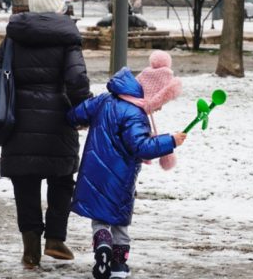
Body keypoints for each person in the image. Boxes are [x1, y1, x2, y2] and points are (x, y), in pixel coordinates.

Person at [0, 0, 91, 269]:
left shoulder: (14, 38)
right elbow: (77, 81)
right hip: (58, 122)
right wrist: (84, 110)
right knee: (62, 180)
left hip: (19, 124)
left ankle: (30, 248)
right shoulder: (68, 38)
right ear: (59, 5)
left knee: (25, 184)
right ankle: (55, 238)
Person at [67, 51, 186, 279]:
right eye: (160, 102)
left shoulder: (106, 99)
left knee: (100, 218)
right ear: (152, 96)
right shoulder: (135, 116)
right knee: (120, 221)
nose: (159, 108)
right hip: (121, 178)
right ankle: (119, 266)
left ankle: (102, 246)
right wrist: (171, 141)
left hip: (94, 172)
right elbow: (142, 147)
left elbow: (76, 114)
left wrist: (75, 119)